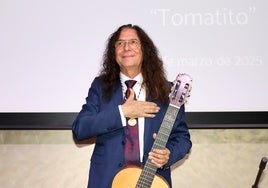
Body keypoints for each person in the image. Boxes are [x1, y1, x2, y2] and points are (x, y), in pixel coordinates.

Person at [72, 24, 192, 188]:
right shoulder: (100, 86)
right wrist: (123, 112)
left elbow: (182, 139)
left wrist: (168, 155)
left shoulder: (167, 91)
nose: (126, 48)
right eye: (120, 43)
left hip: (153, 182)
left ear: (145, 50)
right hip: (107, 182)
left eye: (133, 42)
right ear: (114, 53)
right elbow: (80, 129)